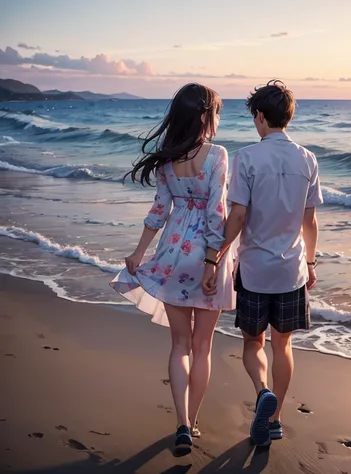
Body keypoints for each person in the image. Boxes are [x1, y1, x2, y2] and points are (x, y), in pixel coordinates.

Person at [110, 83, 235, 452]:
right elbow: (216, 215)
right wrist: (213, 263)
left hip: (173, 253)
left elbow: (159, 212)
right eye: (215, 112)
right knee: (203, 346)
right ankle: (192, 424)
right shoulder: (218, 155)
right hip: (208, 256)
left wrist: (138, 253)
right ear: (202, 116)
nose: (217, 118)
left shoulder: (167, 160)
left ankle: (180, 422)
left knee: (179, 344)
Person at [215, 80, 323, 447]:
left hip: (255, 270)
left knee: (252, 341)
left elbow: (239, 215)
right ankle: (275, 419)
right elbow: (309, 222)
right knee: (284, 345)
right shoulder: (308, 159)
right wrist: (310, 263)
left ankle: (262, 392)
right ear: (287, 118)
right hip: (291, 270)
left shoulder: (246, 158)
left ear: (260, 117)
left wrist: (216, 253)